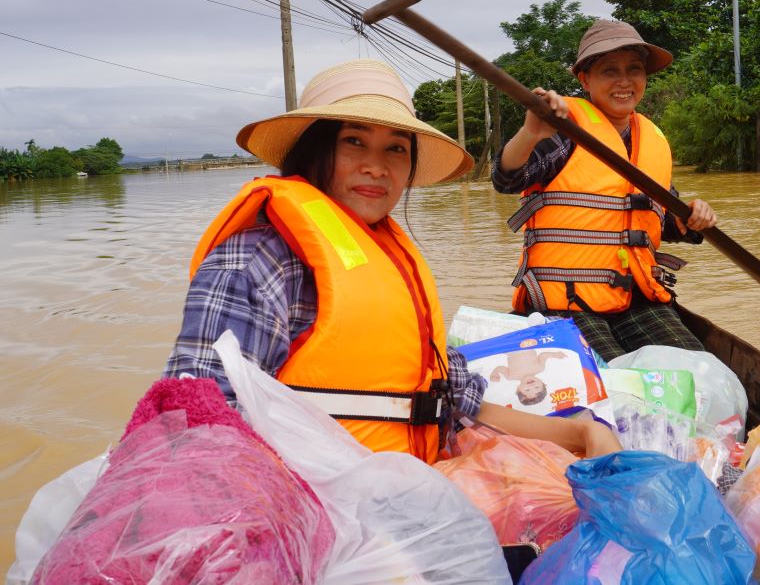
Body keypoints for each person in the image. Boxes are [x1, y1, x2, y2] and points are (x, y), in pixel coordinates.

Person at [164, 59, 620, 464]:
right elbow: (198, 428)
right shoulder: (258, 258)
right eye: (354, 142)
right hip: (321, 508)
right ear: (314, 150)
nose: (377, 167)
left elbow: (454, 398)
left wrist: (580, 431)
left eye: (395, 148)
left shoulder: (386, 252)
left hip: (405, 487)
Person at [492, 20, 718, 362]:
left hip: (636, 297)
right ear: (585, 79)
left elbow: (662, 220)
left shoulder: (650, 140)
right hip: (566, 302)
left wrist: (693, 217)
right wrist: (529, 133)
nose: (624, 81)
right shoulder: (564, 130)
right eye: (609, 71)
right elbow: (506, 179)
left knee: (698, 371)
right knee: (613, 384)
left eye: (634, 70)